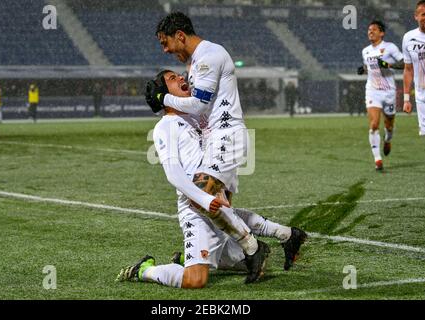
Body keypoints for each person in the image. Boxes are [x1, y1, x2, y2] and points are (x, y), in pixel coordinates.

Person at [116, 70, 307, 288]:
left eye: (179, 75)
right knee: (195, 280)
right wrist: (205, 200)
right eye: (172, 79)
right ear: (163, 93)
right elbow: (174, 174)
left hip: (214, 200)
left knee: (247, 261)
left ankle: (192, 257)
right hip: (194, 208)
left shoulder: (200, 118)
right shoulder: (165, 126)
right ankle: (145, 270)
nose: (181, 78)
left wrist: (225, 189)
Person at [147, 12, 285, 282]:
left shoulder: (209, 55)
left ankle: (252, 248)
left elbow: (199, 105)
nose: (165, 50)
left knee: (201, 199)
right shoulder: (195, 64)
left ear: (180, 36)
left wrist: (164, 97)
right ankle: (283, 236)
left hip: (225, 137)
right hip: (218, 139)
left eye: (165, 43)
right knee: (217, 206)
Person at [357, 20, 404, 171]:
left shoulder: (390, 47)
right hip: (373, 91)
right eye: (369, 30)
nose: (370, 32)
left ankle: (388, 139)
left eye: (374, 30)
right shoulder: (365, 51)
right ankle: (378, 160)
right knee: (374, 124)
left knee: (389, 124)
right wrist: (363, 69)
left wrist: (388, 65)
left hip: (389, 92)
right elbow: (370, 66)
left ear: (382, 33)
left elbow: (405, 63)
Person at [403, 0, 425, 136]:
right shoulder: (408, 38)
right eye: (423, 14)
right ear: (416, 16)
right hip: (422, 97)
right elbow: (408, 69)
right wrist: (406, 99)